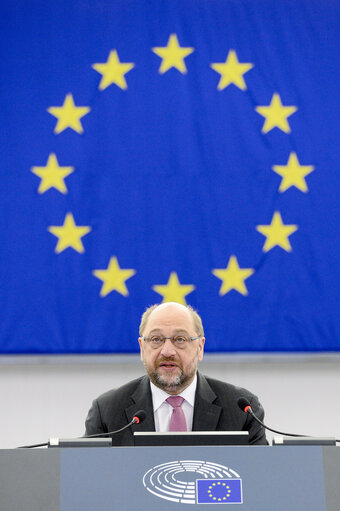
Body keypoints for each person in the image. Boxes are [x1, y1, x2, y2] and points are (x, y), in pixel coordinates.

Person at [85, 302, 267, 445]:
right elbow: (87, 479)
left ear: (200, 348)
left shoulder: (242, 409)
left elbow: (258, 480)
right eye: (156, 339)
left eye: (180, 339)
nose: (167, 351)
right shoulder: (107, 410)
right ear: (142, 348)